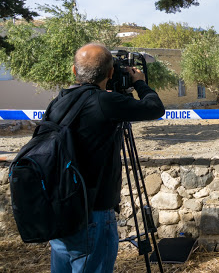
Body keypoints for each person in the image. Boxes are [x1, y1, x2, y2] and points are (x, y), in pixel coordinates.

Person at [48, 43, 165, 273]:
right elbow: (154, 108)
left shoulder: (58, 101)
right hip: (94, 214)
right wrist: (139, 81)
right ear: (111, 73)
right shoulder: (105, 103)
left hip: (61, 210)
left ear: (74, 71)